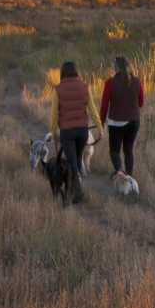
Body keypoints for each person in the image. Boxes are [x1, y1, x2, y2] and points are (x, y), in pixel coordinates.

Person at [50, 60, 103, 204]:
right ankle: (75, 188)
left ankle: (78, 193)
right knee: (77, 160)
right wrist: (100, 128)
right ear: (76, 72)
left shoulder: (58, 90)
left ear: (63, 73)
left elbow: (54, 114)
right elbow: (92, 109)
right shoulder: (85, 87)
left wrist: (53, 132)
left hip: (67, 132)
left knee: (73, 163)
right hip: (82, 132)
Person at [99, 55, 145, 181]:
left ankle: (119, 171)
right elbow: (140, 103)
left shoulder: (110, 83)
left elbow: (104, 106)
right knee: (128, 150)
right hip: (134, 121)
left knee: (114, 151)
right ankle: (129, 178)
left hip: (116, 123)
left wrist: (100, 123)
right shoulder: (136, 81)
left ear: (116, 68)